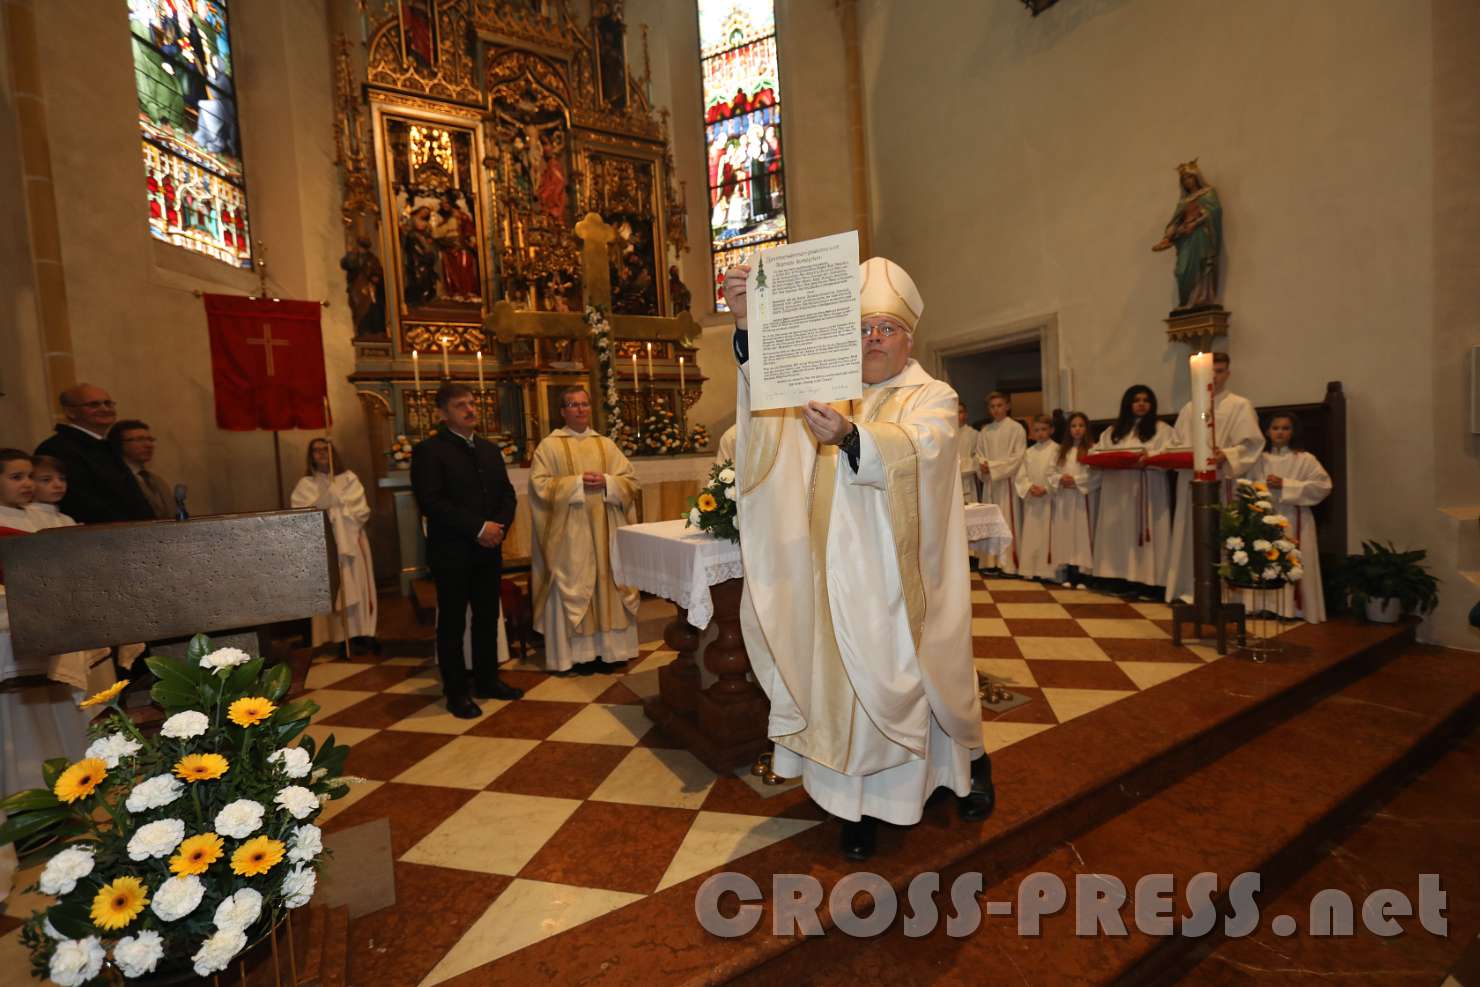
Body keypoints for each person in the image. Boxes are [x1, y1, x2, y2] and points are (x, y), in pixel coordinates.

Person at [724, 256, 993, 863]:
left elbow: (923, 449)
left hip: (902, 582)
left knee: (926, 682)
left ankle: (968, 767)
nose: (873, 338)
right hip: (830, 577)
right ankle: (855, 808)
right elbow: (768, 417)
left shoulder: (934, 395)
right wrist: (747, 327)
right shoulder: (829, 391)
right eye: (863, 327)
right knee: (843, 689)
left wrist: (851, 437)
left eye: (886, 328)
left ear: (909, 338)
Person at [410, 382, 522, 718]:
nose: (471, 409)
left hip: (488, 549)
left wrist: (498, 527)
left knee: (487, 618)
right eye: (461, 405)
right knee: (453, 624)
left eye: (473, 403)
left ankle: (487, 679)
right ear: (443, 414)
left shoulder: (489, 449)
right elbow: (432, 501)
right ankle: (456, 691)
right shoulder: (429, 451)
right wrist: (478, 528)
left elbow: (507, 495)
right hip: (452, 551)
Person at [529, 387, 641, 676]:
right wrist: (577, 484)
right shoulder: (549, 446)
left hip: (606, 531)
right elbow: (539, 487)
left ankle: (610, 652)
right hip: (570, 536)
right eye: (572, 405)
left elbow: (630, 481)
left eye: (584, 404)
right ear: (563, 411)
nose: (579, 410)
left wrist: (607, 483)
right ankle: (577, 656)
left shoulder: (605, 445)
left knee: (609, 583)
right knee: (575, 582)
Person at [1164, 353, 1264, 604]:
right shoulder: (1189, 408)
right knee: (1192, 533)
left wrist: (1226, 454)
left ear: (1227, 374)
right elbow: (1175, 444)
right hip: (1193, 482)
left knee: (1223, 531)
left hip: (1225, 482)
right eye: (1210, 371)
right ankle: (1191, 587)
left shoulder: (1239, 405)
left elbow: (1252, 443)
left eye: (1219, 371)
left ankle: (1228, 593)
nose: (1214, 376)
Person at [292, 438, 379, 655]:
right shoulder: (306, 484)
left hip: (350, 542)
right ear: (310, 455)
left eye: (325, 449)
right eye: (316, 450)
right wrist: (327, 500)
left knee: (357, 585)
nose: (321, 454)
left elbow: (361, 511)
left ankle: (362, 633)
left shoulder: (349, 479)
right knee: (334, 590)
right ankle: (339, 637)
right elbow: (302, 513)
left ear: (333, 452)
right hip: (325, 547)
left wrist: (338, 505)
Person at [1246, 413, 1331, 622]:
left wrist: (1286, 484)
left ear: (1293, 432)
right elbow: (1247, 485)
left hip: (1295, 516)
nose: (1280, 432)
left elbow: (1323, 486)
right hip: (1265, 518)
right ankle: (1263, 606)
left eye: (1285, 428)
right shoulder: (1258, 459)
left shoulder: (1305, 459)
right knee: (1265, 559)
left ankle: (1296, 609)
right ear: (1267, 431)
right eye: (1275, 428)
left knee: (1294, 560)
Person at [1091, 385, 1175, 594]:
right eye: (1136, 400)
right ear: (1128, 404)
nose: (1141, 404)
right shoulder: (1113, 431)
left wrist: (1149, 458)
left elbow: (1170, 452)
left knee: (1145, 533)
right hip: (1116, 491)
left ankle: (1148, 581)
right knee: (1118, 533)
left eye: (1146, 400)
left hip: (1147, 488)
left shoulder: (1162, 429)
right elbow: (1097, 451)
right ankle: (1116, 577)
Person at [33, 384, 154, 524]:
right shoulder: (58, 448)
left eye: (108, 403)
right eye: (94, 404)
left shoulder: (106, 445)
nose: (104, 409)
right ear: (70, 412)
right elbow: (78, 501)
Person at [974, 391, 1024, 573]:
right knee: (990, 521)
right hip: (990, 484)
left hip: (1007, 483)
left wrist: (993, 467)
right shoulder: (985, 431)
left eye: (999, 405)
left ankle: (1008, 564)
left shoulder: (1016, 428)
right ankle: (990, 562)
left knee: (1007, 520)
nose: (996, 410)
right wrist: (983, 466)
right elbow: (978, 455)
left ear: (1008, 406)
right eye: (992, 407)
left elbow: (1018, 458)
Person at [1050, 412, 1098, 588]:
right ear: (1068, 429)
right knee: (1067, 535)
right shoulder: (1062, 451)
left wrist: (1076, 481)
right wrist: (1060, 479)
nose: (1077, 430)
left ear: (1086, 428)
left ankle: (1083, 575)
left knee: (1082, 534)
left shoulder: (1093, 449)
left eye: (1081, 426)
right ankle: (1069, 573)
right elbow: (1051, 472)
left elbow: (1096, 474)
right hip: (1065, 499)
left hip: (1082, 498)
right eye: (1073, 426)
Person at [1013, 416, 1059, 582]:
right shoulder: (1029, 452)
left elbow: (1058, 473)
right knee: (1032, 535)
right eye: (1037, 430)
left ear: (1051, 430)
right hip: (1033, 500)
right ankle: (1030, 569)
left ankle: (1048, 572)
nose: (1040, 433)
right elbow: (1021, 476)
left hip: (1048, 500)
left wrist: (1047, 488)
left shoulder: (1057, 450)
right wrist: (1029, 487)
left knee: (1048, 535)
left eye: (1044, 429)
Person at [109, 419, 174, 520]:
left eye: (150, 439)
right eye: (139, 440)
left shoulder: (157, 480)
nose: (148, 445)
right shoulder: (114, 479)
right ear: (119, 444)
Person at [27, 456, 76, 530]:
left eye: (62, 479)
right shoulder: (25, 516)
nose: (58, 485)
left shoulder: (67, 519)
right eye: (46, 480)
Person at [956, 401, 980, 505]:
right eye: (954, 412)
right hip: (952, 483)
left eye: (960, 412)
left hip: (968, 481)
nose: (957, 415)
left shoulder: (974, 434)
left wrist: (959, 466)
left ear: (966, 414)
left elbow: (978, 458)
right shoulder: (946, 436)